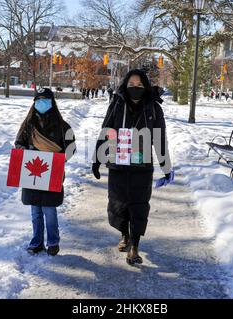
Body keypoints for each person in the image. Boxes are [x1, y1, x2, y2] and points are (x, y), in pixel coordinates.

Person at [92, 69, 173, 266]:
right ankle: (124, 235)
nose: (135, 88)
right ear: (124, 86)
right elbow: (106, 131)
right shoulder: (117, 104)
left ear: (145, 86)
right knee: (119, 203)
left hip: (142, 166)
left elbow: (159, 139)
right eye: (131, 85)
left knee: (139, 205)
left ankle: (135, 246)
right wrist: (97, 159)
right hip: (118, 164)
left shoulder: (153, 108)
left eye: (139, 85)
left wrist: (166, 166)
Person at [14, 88, 76, 256]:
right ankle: (37, 242)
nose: (42, 103)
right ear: (34, 103)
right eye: (39, 100)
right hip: (33, 170)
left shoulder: (63, 126)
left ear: (52, 103)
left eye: (46, 100)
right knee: (35, 210)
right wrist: (28, 153)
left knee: (49, 209)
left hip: (52, 171)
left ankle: (53, 242)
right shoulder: (28, 125)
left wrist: (59, 159)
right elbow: (18, 143)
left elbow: (71, 148)